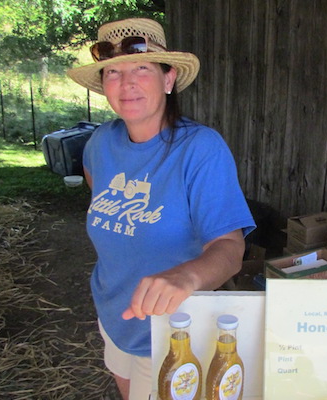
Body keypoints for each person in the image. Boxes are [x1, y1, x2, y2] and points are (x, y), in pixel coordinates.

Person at [67, 18, 255, 400]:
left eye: (141, 68)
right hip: (113, 315)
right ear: (104, 86)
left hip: (172, 332)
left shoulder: (201, 149)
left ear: (168, 79)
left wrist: (185, 277)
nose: (127, 82)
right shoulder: (99, 144)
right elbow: (100, 192)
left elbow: (230, 248)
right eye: (113, 73)